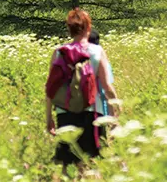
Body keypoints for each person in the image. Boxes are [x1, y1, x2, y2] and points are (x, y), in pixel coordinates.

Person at [45, 9, 120, 174]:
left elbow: (50, 88)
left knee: (66, 164)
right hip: (92, 112)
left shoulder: (59, 52)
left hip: (64, 111)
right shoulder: (97, 51)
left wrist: (49, 117)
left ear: (69, 29)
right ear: (88, 27)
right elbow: (107, 86)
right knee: (88, 163)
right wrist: (115, 115)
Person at [87, 29, 116, 143]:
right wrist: (114, 116)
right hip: (98, 111)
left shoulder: (71, 57)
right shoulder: (100, 59)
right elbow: (106, 89)